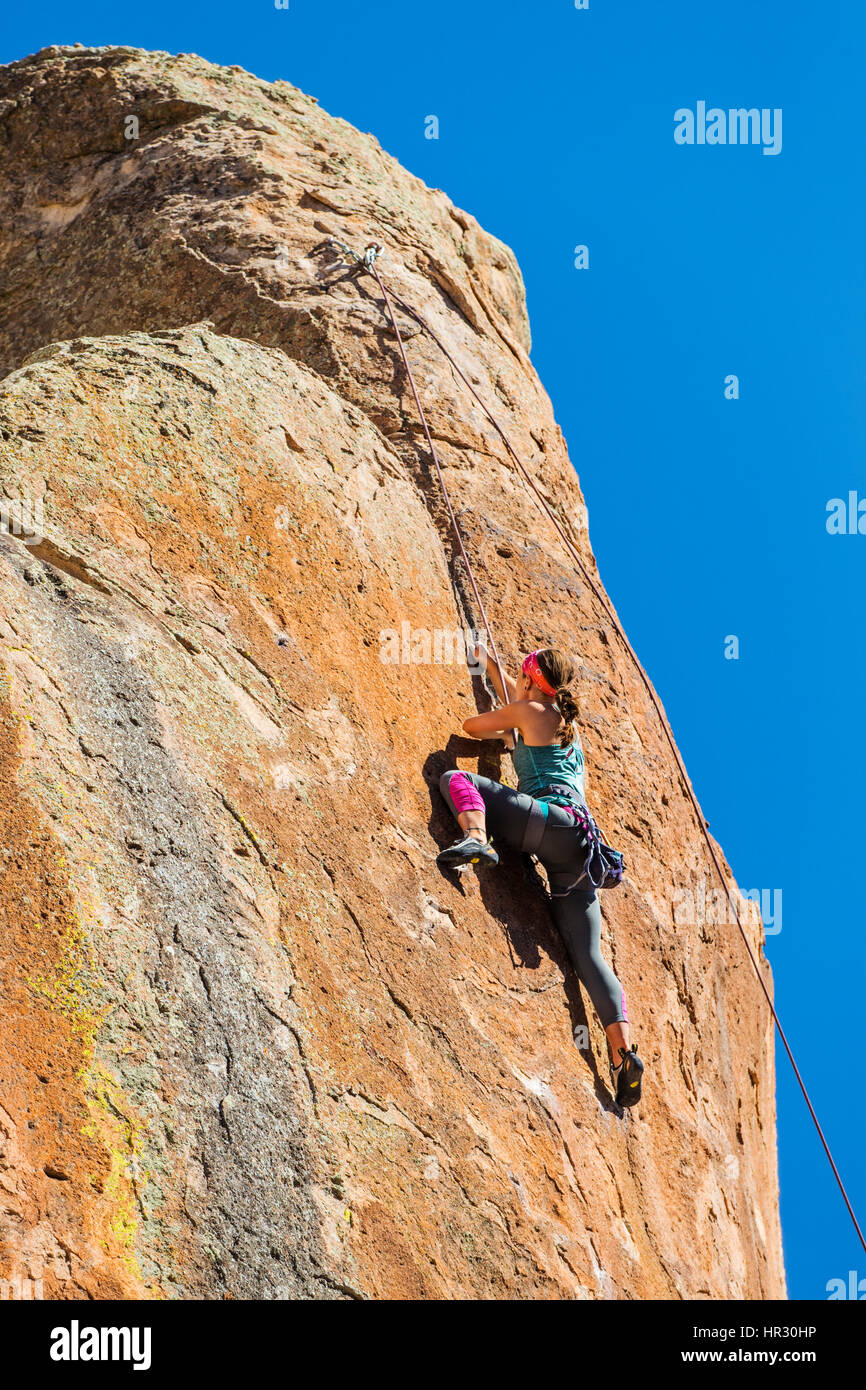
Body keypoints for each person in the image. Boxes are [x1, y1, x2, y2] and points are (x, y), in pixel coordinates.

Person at [437, 645, 643, 1107]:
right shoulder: (565, 728)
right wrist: (493, 669)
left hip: (545, 820)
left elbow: (473, 728)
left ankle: (476, 838)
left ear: (531, 678)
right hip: (580, 845)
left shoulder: (528, 710)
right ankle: (622, 1053)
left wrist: (501, 713)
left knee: (457, 780)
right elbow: (527, 711)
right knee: (589, 955)